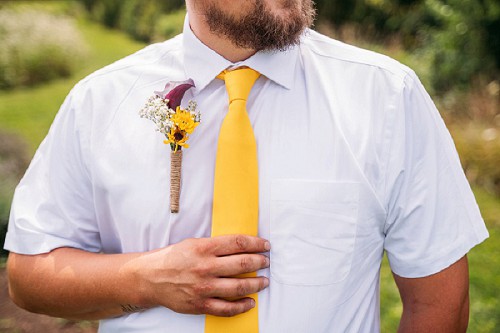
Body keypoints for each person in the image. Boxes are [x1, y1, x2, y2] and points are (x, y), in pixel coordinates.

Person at [4, 0, 489, 332]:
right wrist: (146, 278)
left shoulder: (386, 97)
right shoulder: (100, 101)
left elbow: (440, 301)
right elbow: (29, 276)